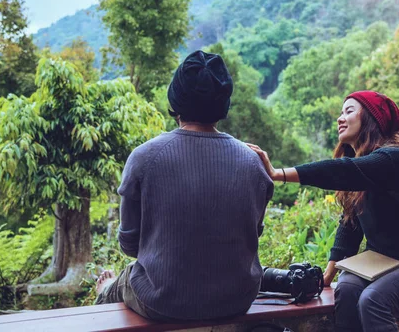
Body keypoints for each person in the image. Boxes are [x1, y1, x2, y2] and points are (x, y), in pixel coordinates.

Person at [248, 91, 399, 332]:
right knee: (345, 289)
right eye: (340, 112)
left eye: (349, 111)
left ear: (371, 119)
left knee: (374, 299)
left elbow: (344, 171)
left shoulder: (395, 158)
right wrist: (327, 276)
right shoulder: (361, 173)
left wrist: (278, 173)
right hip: (384, 265)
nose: (340, 118)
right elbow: (349, 229)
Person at [95, 50, 274, 321]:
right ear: (223, 103)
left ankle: (106, 289)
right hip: (238, 299)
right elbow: (252, 236)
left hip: (164, 302)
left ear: (175, 99)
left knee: (117, 284)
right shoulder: (254, 162)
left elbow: (130, 245)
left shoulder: (144, 157)